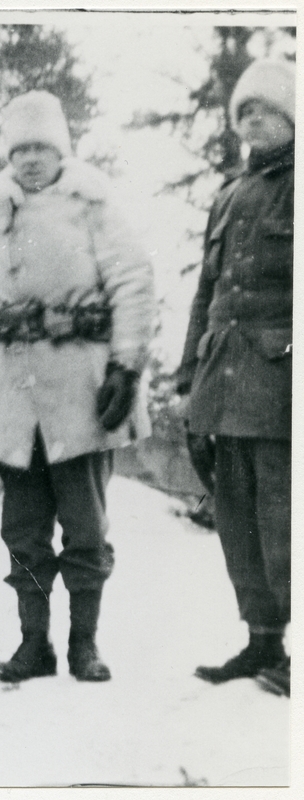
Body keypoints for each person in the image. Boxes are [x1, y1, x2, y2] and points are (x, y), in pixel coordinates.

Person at [0, 91, 155, 684]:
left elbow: (133, 281)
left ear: (61, 150)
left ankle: (84, 644)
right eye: (20, 149)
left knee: (85, 527)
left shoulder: (92, 201)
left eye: (41, 147)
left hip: (82, 391)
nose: (30, 159)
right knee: (23, 530)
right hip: (11, 394)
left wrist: (126, 367)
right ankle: (35, 644)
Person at [176, 59, 292, 697]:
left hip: (282, 383)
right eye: (244, 111)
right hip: (224, 379)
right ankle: (263, 642)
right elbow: (206, 292)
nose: (253, 120)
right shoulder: (229, 195)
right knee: (238, 518)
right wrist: (187, 373)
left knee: (285, 517)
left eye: (266, 109)